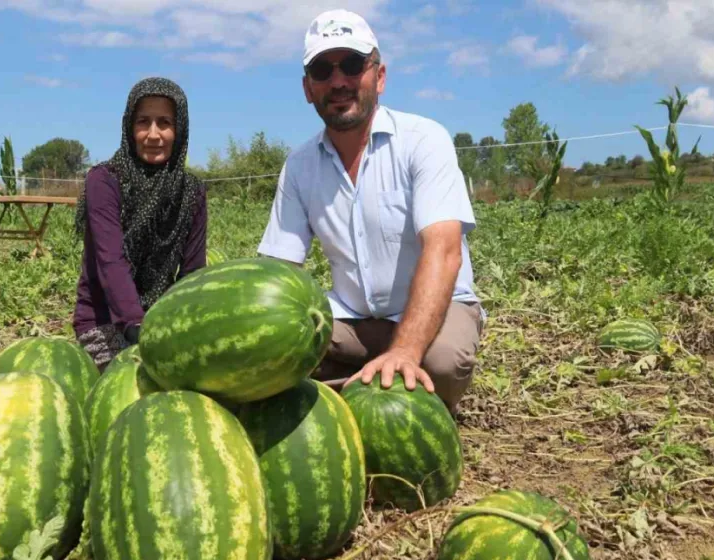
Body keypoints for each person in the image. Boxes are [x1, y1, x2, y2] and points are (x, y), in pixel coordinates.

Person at [256, 9, 484, 413]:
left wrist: (408, 350)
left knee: (441, 364)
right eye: (323, 70)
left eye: (353, 65)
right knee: (271, 354)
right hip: (353, 320)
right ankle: (363, 382)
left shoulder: (423, 140)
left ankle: (372, 381)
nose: (339, 81)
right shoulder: (300, 165)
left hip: (438, 308)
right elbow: (278, 268)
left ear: (379, 76)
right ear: (308, 88)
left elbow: (443, 251)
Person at [72, 77, 207, 370]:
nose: (153, 134)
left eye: (165, 122)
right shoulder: (104, 180)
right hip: (104, 322)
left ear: (180, 129)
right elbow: (111, 261)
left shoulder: (192, 191)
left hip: (162, 318)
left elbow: (193, 272)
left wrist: (183, 329)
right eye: (143, 122)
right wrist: (137, 327)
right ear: (129, 128)